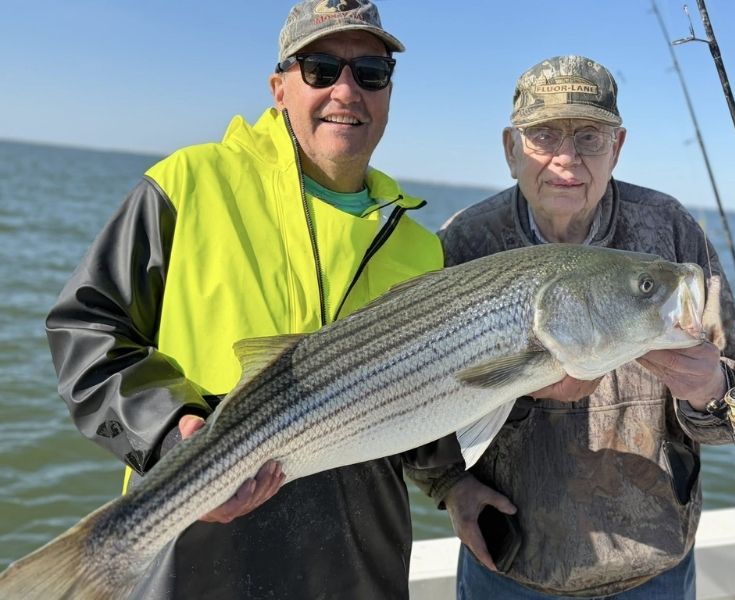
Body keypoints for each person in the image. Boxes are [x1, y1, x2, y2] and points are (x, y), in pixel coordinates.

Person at [45, 1, 443, 598]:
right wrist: (168, 434)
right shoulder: (187, 183)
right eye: (320, 69)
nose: (346, 91)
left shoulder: (420, 246)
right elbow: (86, 327)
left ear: (389, 91)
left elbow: (430, 400)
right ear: (279, 88)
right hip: (195, 557)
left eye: (371, 72)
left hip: (360, 570)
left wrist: (455, 483)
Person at [404, 55, 735, 599]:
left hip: (655, 569)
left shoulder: (670, 234)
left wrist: (710, 391)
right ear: (511, 149)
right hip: (511, 568)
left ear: (617, 148)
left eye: (590, 137)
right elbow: (413, 385)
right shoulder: (465, 242)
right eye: (543, 135)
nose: (567, 159)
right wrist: (449, 484)